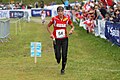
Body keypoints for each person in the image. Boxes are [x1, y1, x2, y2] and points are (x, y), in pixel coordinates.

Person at [47, 6, 74, 74]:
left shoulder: (67, 19)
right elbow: (48, 26)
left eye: (61, 11)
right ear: (57, 12)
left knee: (64, 55)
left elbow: (72, 26)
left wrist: (71, 30)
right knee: (58, 56)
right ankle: (57, 58)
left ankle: (63, 69)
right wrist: (51, 34)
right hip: (56, 39)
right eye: (59, 11)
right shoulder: (54, 19)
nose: (60, 13)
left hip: (64, 39)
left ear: (63, 12)